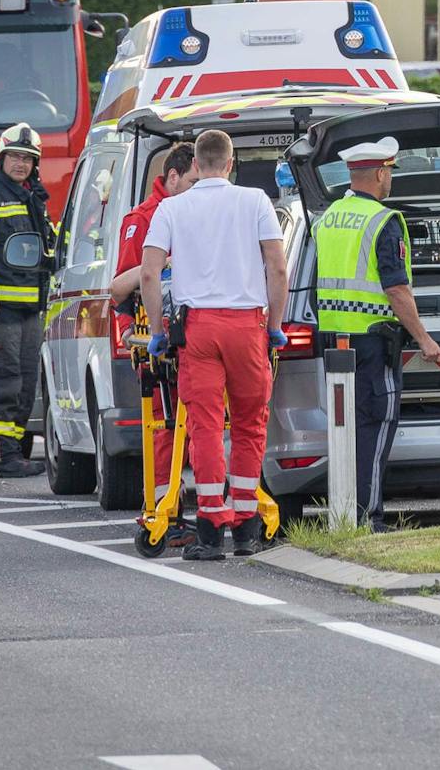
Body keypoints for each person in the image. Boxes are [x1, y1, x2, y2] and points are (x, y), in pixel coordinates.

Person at [139, 130, 288, 560]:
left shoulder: (171, 207)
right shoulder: (256, 201)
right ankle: (245, 528)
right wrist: (274, 324)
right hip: (247, 326)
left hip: (198, 329)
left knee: (203, 426)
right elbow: (276, 267)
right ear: (230, 162)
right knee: (248, 422)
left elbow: (149, 274)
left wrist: (158, 332)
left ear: (196, 165)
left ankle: (209, 531)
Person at [311, 137, 440, 531]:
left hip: (334, 340)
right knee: (377, 423)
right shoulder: (384, 221)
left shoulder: (329, 216)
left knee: (345, 428)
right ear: (381, 173)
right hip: (372, 340)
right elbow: (396, 289)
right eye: (390, 173)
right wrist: (424, 338)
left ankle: (344, 510)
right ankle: (367, 515)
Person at [111, 142, 198, 510]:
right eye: (194, 181)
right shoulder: (143, 218)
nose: (201, 187)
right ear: (173, 176)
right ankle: (167, 508)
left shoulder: (195, 209)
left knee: (198, 423)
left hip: (195, 334)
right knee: (164, 428)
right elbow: (121, 288)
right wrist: (132, 332)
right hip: (159, 341)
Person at [0, 123, 52, 478]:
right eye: (15, 157)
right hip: (0, 307)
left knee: (26, 381)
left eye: (28, 158)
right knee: (3, 381)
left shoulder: (32, 196)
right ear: (0, 158)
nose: (21, 164)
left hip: (30, 307)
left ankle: (14, 451)